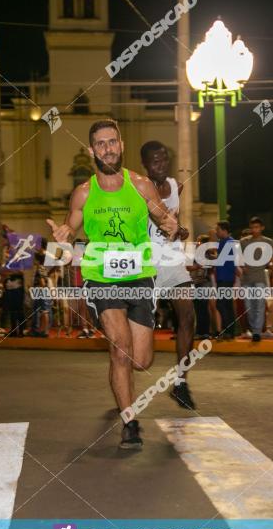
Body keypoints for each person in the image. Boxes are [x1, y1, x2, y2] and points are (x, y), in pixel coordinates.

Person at [46, 119, 177, 449]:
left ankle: (122, 386)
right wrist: (63, 234)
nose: (107, 148)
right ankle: (130, 421)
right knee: (120, 348)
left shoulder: (140, 185)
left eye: (112, 142)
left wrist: (170, 223)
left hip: (139, 276)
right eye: (100, 144)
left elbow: (162, 217)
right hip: (101, 277)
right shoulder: (84, 193)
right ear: (92, 150)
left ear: (121, 146)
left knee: (140, 360)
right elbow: (71, 226)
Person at [141, 141, 195, 409]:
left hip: (172, 260)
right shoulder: (139, 189)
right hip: (147, 263)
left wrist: (181, 230)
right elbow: (156, 220)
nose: (161, 165)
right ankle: (123, 384)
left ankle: (181, 384)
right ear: (145, 165)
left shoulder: (175, 186)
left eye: (164, 160)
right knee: (138, 333)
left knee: (187, 315)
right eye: (155, 161)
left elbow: (177, 221)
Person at [239, 217, 273, 342]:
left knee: (259, 305)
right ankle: (254, 328)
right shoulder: (244, 242)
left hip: (260, 277)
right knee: (249, 306)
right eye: (253, 227)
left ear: (262, 228)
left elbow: (271, 261)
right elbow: (238, 258)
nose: (255, 230)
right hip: (246, 279)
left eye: (257, 227)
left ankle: (256, 332)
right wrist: (242, 266)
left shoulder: (268, 242)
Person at [213, 221, 237, 340]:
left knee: (222, 304)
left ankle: (229, 330)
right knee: (225, 304)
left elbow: (223, 259)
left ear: (224, 230)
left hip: (226, 278)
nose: (216, 232)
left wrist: (213, 258)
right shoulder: (222, 242)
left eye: (217, 230)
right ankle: (229, 331)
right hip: (222, 277)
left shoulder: (230, 242)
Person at [188, 234, 213, 340]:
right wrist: (197, 266)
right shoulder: (195, 255)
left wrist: (196, 266)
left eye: (199, 242)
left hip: (204, 283)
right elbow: (188, 267)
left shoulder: (209, 256)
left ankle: (204, 332)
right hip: (196, 283)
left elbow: (208, 267)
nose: (197, 244)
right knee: (198, 308)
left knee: (202, 307)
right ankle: (200, 332)